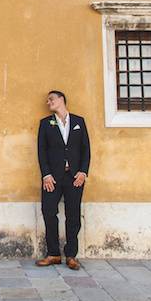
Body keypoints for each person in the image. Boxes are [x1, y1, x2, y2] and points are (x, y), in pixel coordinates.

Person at [36, 90, 91, 270]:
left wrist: (83, 172)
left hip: (74, 177)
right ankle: (53, 254)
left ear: (61, 100)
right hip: (52, 177)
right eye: (47, 100)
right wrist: (46, 174)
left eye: (51, 99)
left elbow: (86, 149)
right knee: (49, 212)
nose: (48, 102)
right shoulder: (45, 124)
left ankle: (71, 255)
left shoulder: (78, 122)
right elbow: (41, 151)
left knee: (73, 215)